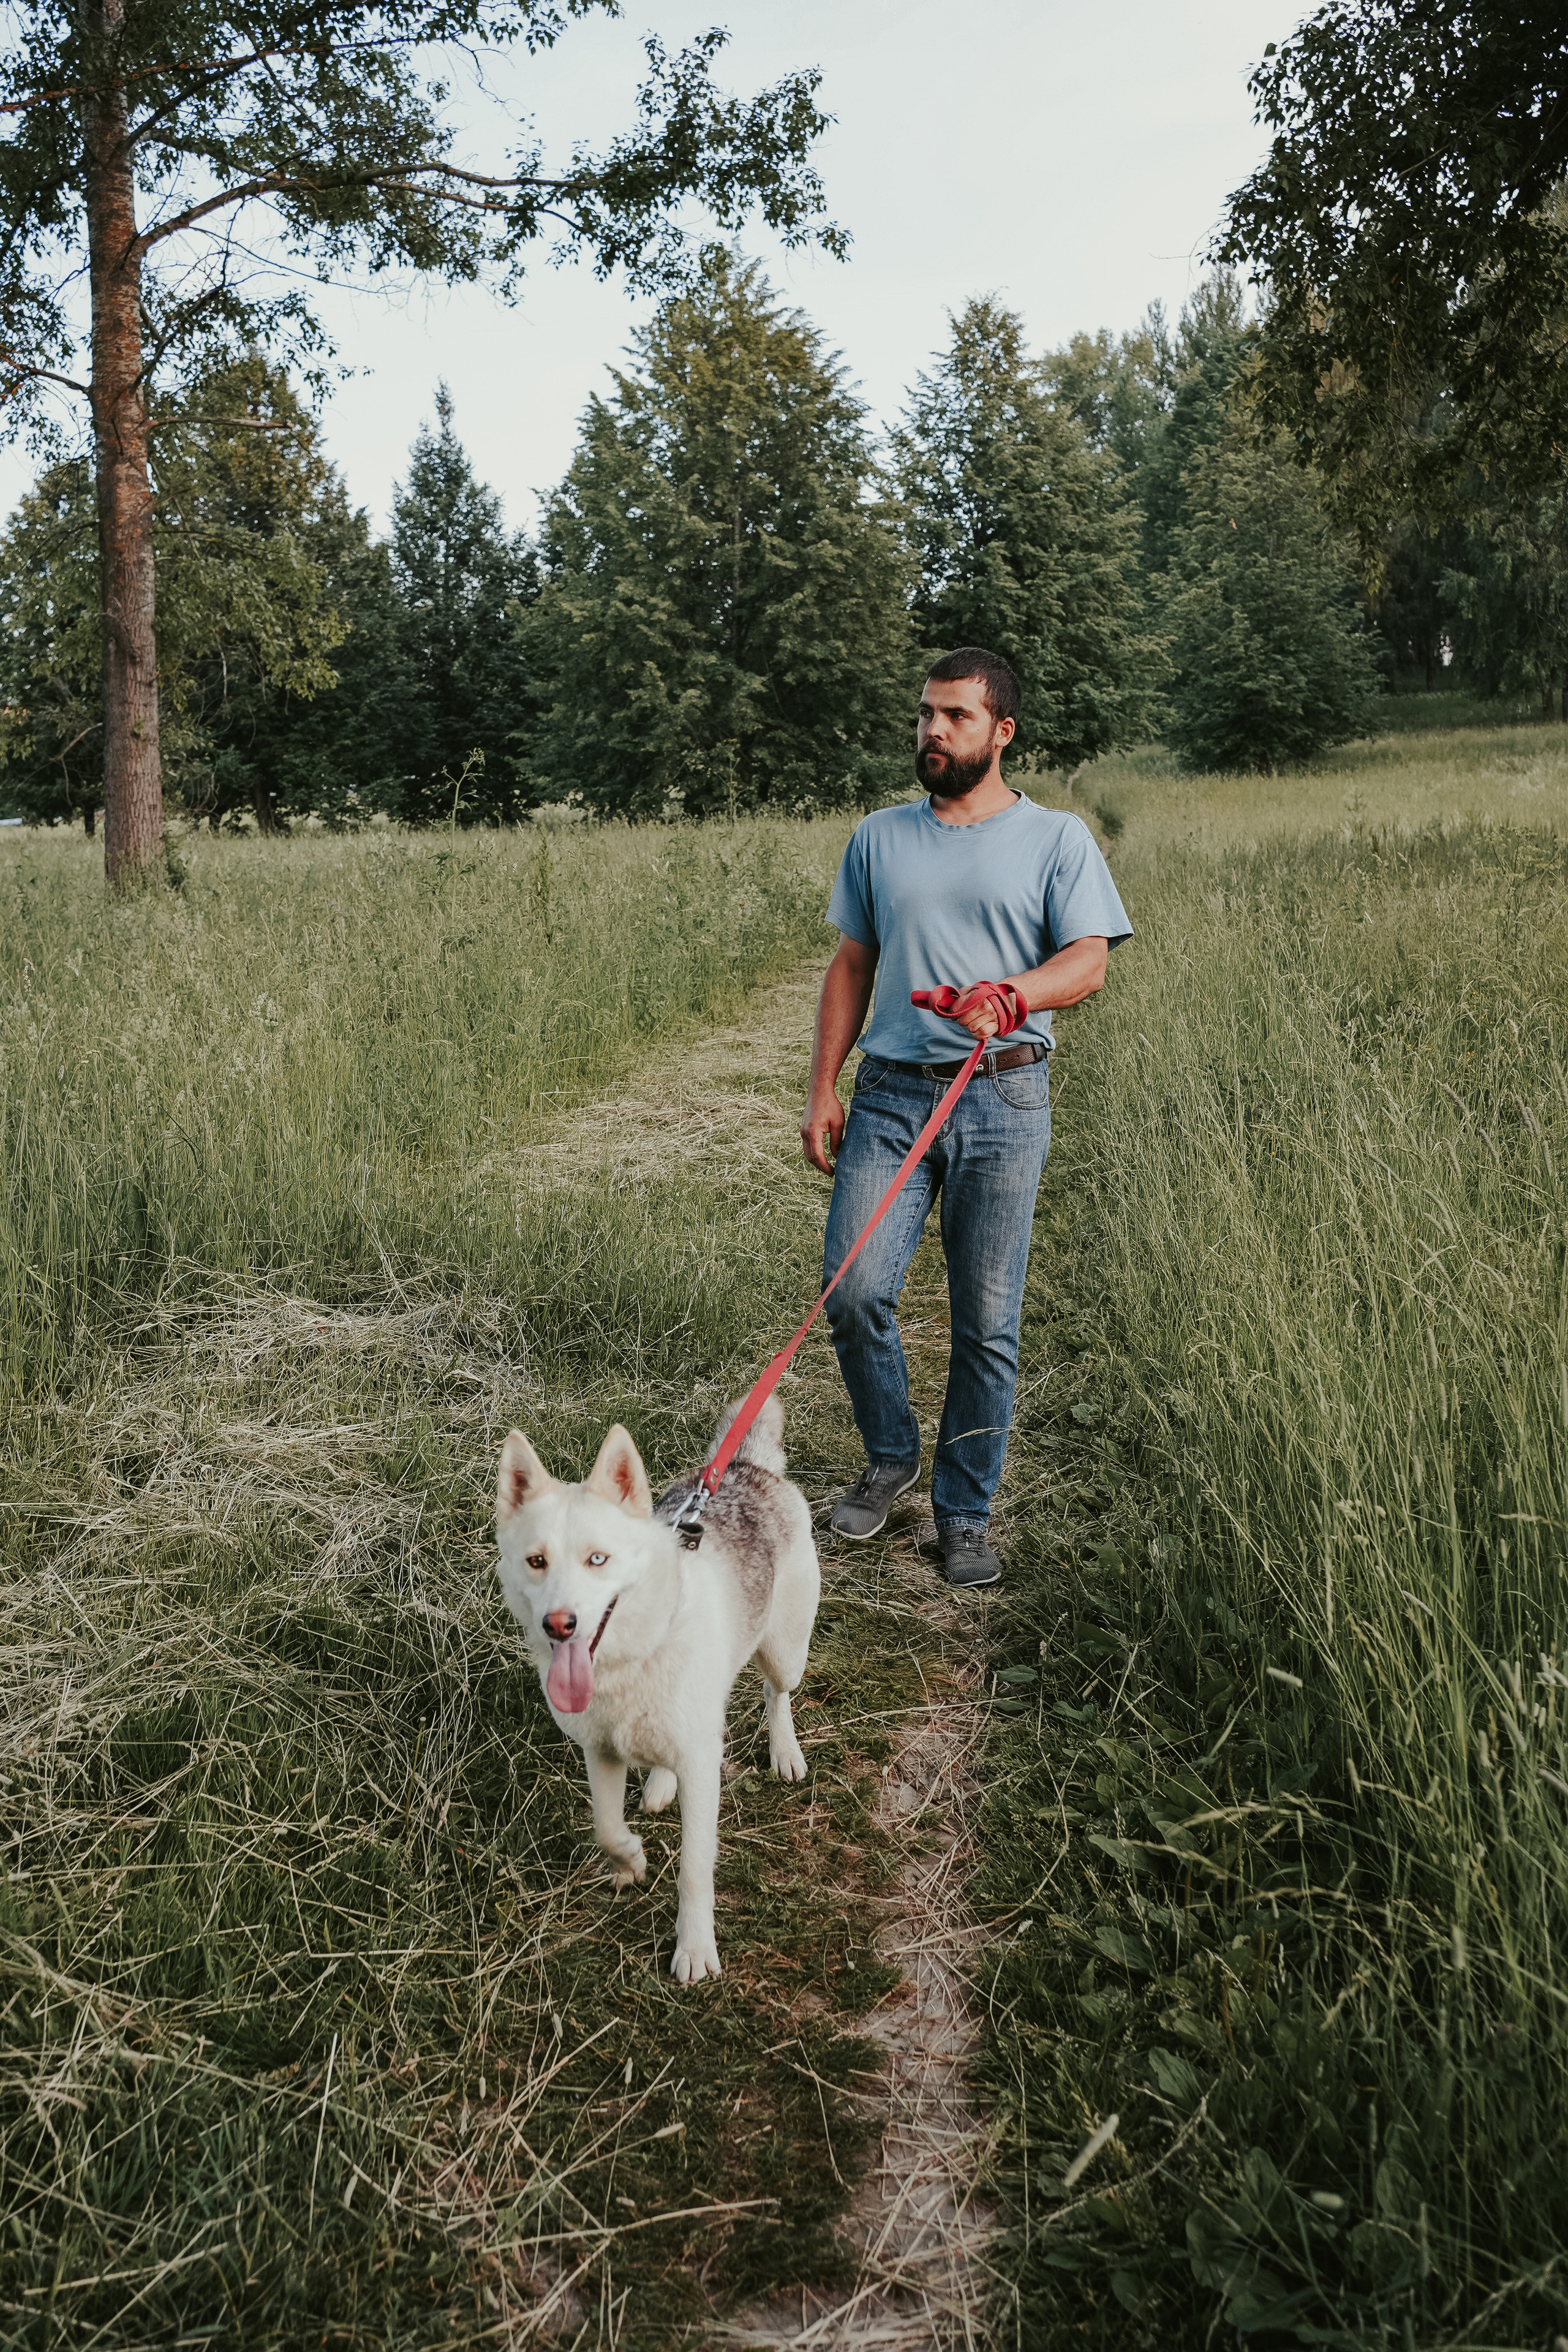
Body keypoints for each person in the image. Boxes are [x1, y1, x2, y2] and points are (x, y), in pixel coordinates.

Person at [799, 647, 1132, 1589]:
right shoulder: (878, 836)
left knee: (987, 1323)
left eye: (954, 716)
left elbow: (1090, 961)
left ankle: (965, 1513)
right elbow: (852, 965)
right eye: (925, 714)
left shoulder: (1057, 838)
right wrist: (823, 1085)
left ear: (1002, 732)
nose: (933, 731)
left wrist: (1013, 996)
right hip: (893, 1094)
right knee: (854, 1287)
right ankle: (891, 1452)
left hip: (1005, 1094)